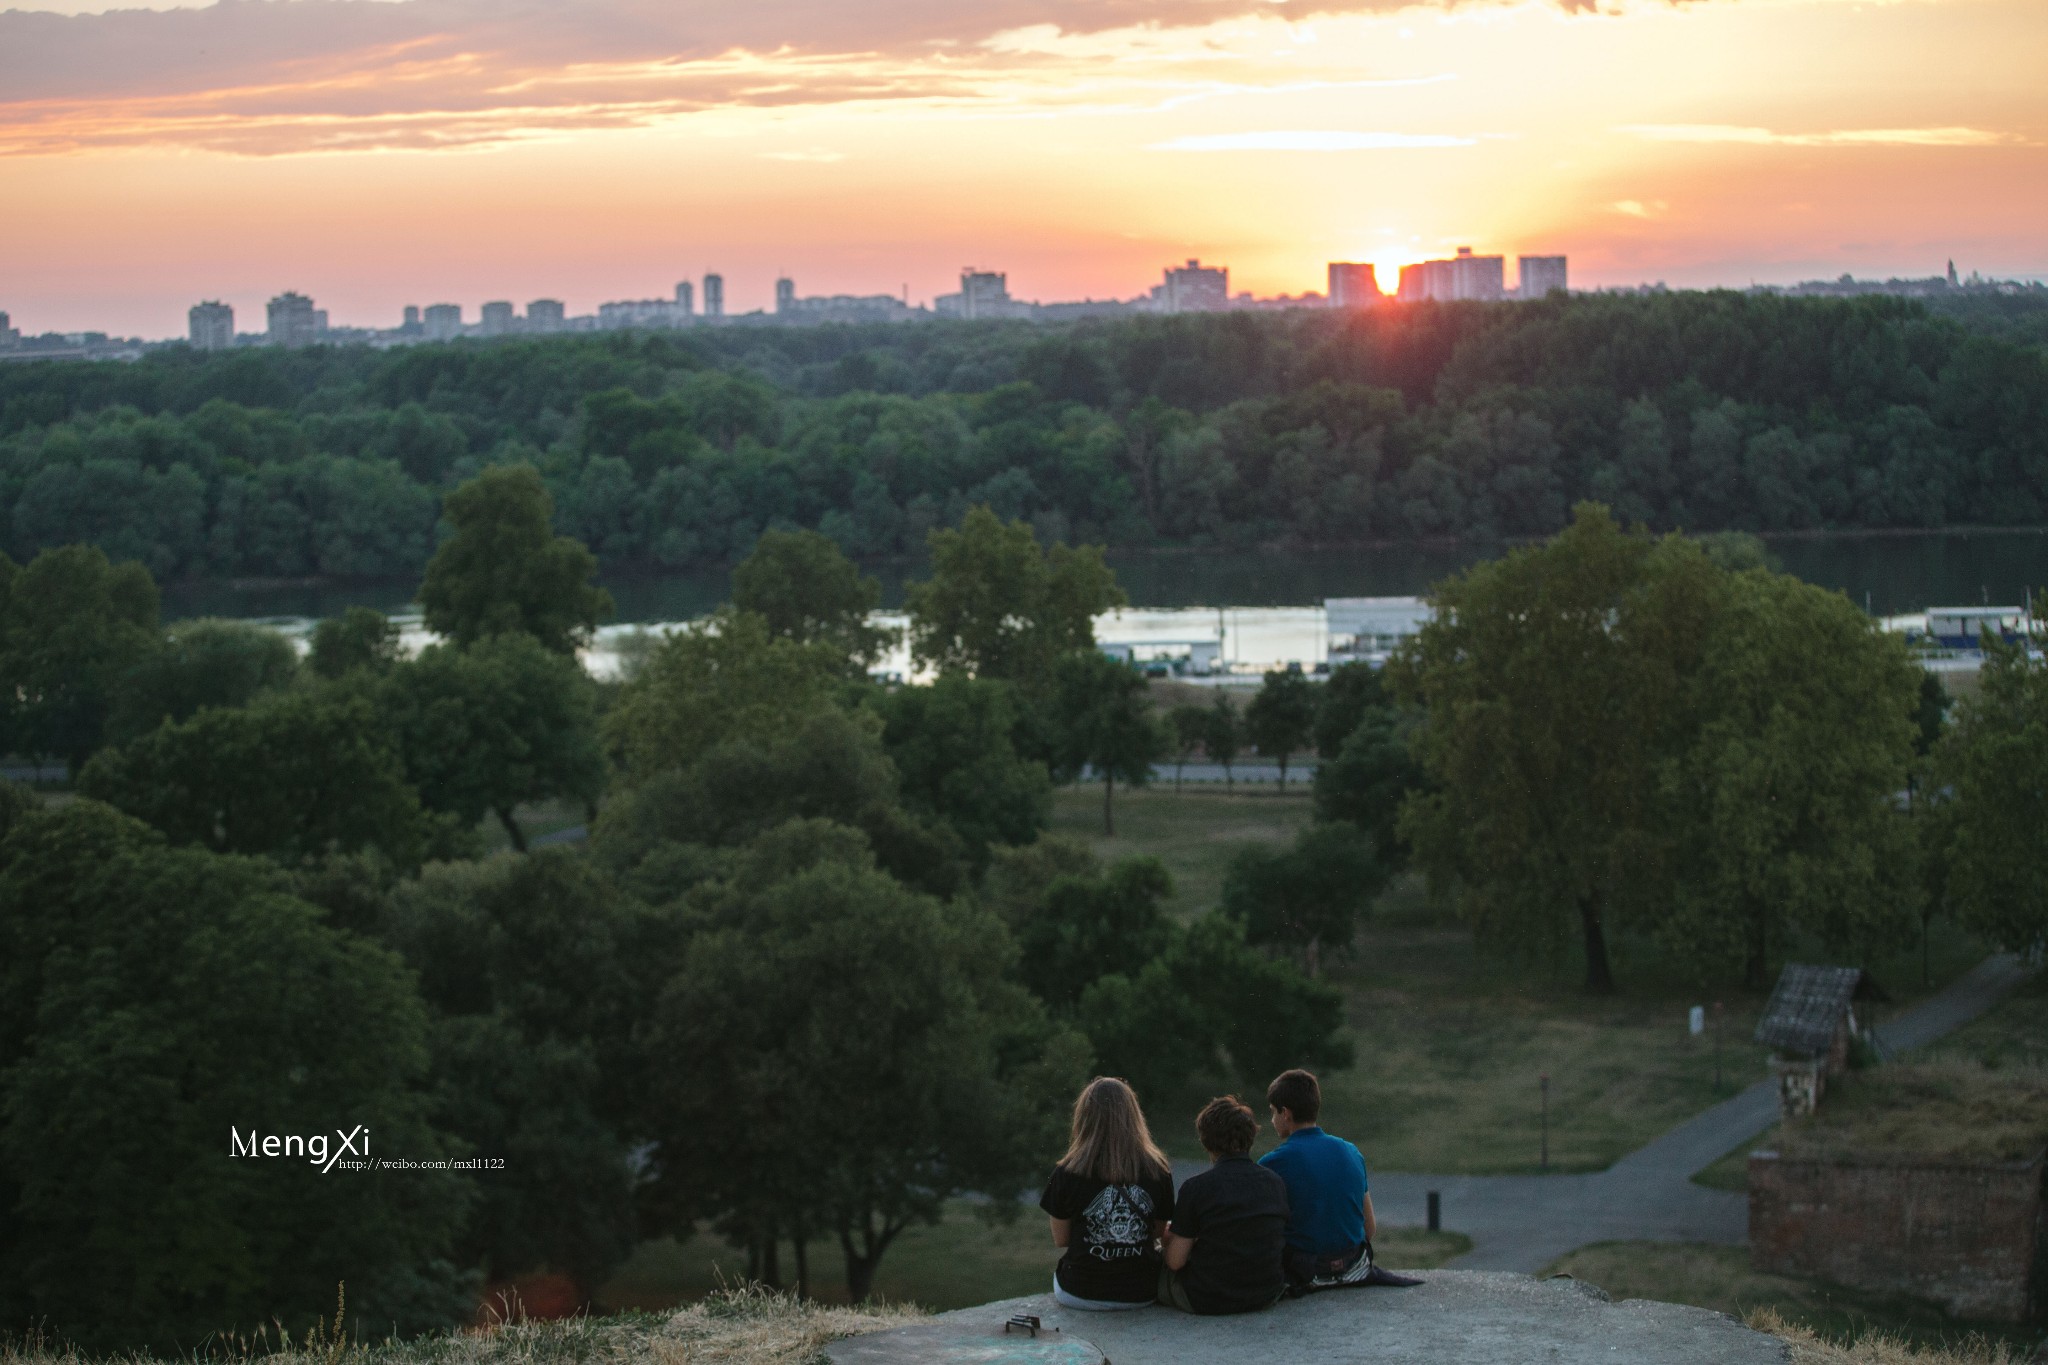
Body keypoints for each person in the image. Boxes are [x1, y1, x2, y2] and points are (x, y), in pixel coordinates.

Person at [1259, 1068, 1419, 1291]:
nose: (1271, 1120)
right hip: (1354, 1265)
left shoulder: (1273, 1163)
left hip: (1306, 1271)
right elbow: (1369, 1228)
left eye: (1273, 1112)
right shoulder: (1351, 1151)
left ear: (1286, 1113)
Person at [1038, 1076, 1177, 1311]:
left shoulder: (1067, 1172)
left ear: (1084, 1118)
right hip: (1140, 1291)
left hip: (1079, 1291)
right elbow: (1155, 1231)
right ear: (1134, 1117)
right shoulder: (1158, 1169)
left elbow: (1061, 1239)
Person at [1157, 1095, 1290, 1314]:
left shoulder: (1196, 1189)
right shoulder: (1274, 1182)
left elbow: (1175, 1262)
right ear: (1250, 1136)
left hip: (1209, 1299)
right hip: (1265, 1294)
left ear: (1206, 1141)